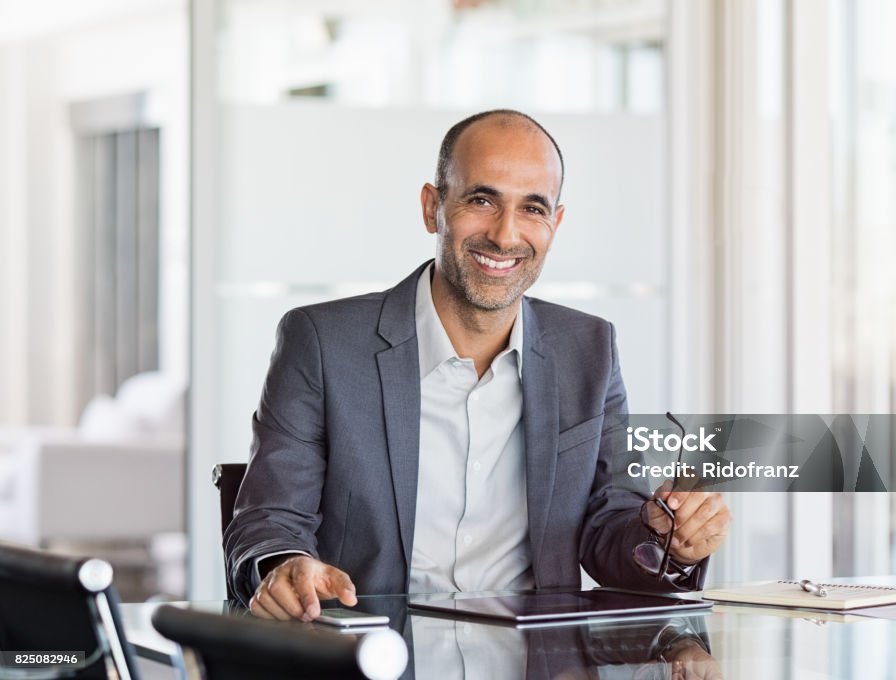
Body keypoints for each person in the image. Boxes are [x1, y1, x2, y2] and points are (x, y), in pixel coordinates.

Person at [224, 109, 731, 622]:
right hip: (375, 656)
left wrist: (667, 539)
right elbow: (269, 519)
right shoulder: (323, 342)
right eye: (482, 200)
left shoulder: (589, 347)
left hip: (535, 659)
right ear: (432, 208)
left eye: (532, 208)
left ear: (554, 224)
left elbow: (610, 529)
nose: (506, 235)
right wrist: (287, 565)